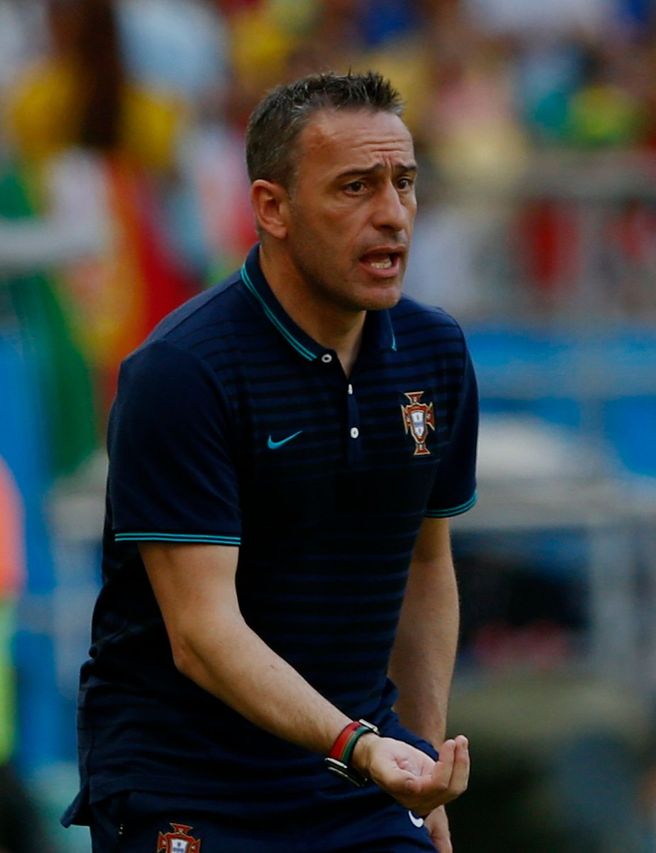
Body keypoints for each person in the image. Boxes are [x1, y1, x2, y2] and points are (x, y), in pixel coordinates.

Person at [61, 70, 479, 852]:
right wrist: (359, 745)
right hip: (189, 786)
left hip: (357, 778)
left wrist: (419, 771)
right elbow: (202, 633)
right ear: (271, 207)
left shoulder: (436, 351)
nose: (392, 215)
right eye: (355, 187)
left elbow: (428, 564)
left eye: (405, 183)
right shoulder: (184, 372)